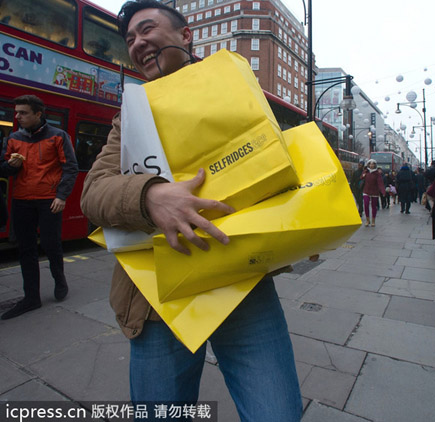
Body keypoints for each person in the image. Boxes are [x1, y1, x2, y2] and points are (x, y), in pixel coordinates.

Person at [80, 1, 302, 420]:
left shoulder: (233, 91)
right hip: (157, 298)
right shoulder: (129, 117)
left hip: (243, 286)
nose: (138, 42)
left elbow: (278, 173)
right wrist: (149, 196)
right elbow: (92, 193)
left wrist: (301, 231)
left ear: (186, 36)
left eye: (147, 29)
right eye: (129, 39)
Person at [0, 95, 78, 320]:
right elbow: (4, 170)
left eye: (23, 113)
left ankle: (60, 280)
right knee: (25, 249)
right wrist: (10, 166)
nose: (18, 117)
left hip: (49, 200)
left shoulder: (58, 136)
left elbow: (70, 167)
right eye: (17, 113)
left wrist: (62, 196)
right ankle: (31, 297)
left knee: (51, 244)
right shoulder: (13, 138)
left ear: (38, 114)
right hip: (22, 200)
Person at [360, 158, 385, 226]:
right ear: (368, 165)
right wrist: (363, 175)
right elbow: (361, 178)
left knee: (374, 206)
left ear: (375, 165)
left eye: (373, 164)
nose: (371, 165)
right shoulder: (366, 171)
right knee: (366, 204)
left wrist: (383, 191)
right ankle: (367, 220)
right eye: (370, 164)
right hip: (366, 190)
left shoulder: (377, 174)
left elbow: (380, 183)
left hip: (374, 191)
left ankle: (373, 220)